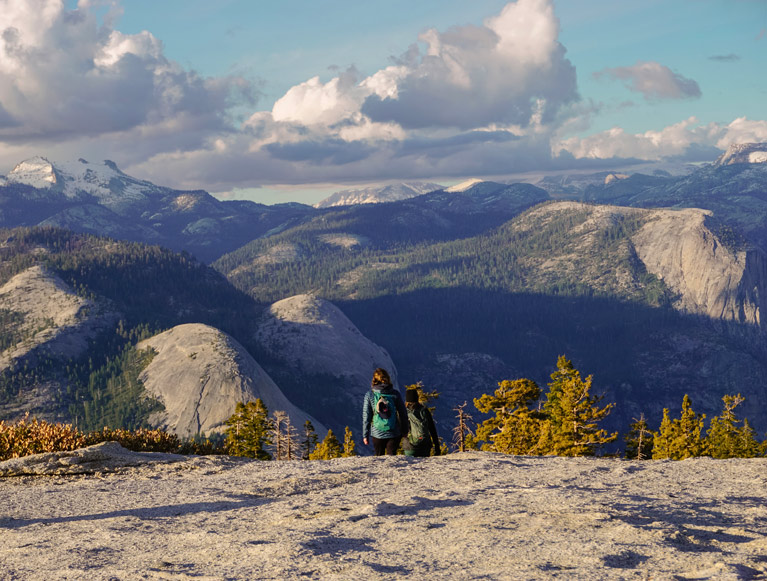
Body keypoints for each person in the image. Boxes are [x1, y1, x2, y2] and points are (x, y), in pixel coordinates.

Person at [362, 368, 409, 456]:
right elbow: (403, 414)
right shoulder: (395, 394)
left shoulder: (370, 395)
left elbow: (366, 416)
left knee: (379, 458)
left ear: (374, 380)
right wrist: (405, 431)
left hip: (377, 433)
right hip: (394, 432)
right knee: (391, 458)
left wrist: (365, 435)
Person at [401, 388, 441, 457]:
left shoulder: (404, 412)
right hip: (424, 446)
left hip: (409, 447)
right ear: (417, 398)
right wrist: (437, 447)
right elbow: (432, 429)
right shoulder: (424, 410)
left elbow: (400, 429)